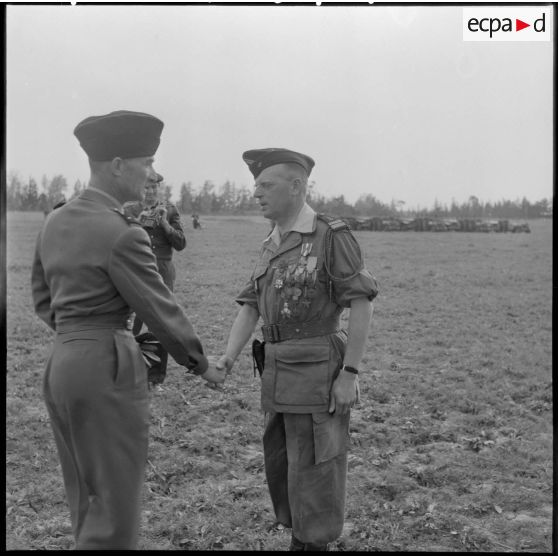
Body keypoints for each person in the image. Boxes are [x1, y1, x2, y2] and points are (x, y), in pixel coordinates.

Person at [31, 110, 225, 550]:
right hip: (108, 368)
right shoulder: (124, 234)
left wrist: (77, 337)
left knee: (84, 496)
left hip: (62, 365)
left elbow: (43, 301)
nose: (152, 173)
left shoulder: (54, 221)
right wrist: (202, 365)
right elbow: (159, 309)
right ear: (118, 165)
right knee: (115, 508)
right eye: (148, 162)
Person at [217, 148, 378, 551]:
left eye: (265, 185)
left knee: (316, 469)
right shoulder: (272, 240)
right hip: (278, 373)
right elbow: (252, 304)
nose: (256, 194)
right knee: (284, 465)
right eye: (255, 186)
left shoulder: (329, 235)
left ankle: (312, 545)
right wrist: (227, 357)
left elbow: (361, 301)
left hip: (318, 372)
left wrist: (350, 374)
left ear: (296, 186)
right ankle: (300, 540)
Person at [123, 172, 187, 384]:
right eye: (145, 188)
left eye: (154, 188)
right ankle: (126, 371)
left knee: (160, 323)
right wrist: (138, 225)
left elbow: (180, 244)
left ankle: (155, 377)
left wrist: (165, 225)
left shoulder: (169, 210)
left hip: (162, 272)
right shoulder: (130, 210)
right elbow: (120, 240)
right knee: (129, 321)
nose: (150, 192)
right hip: (136, 270)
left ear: (159, 188)